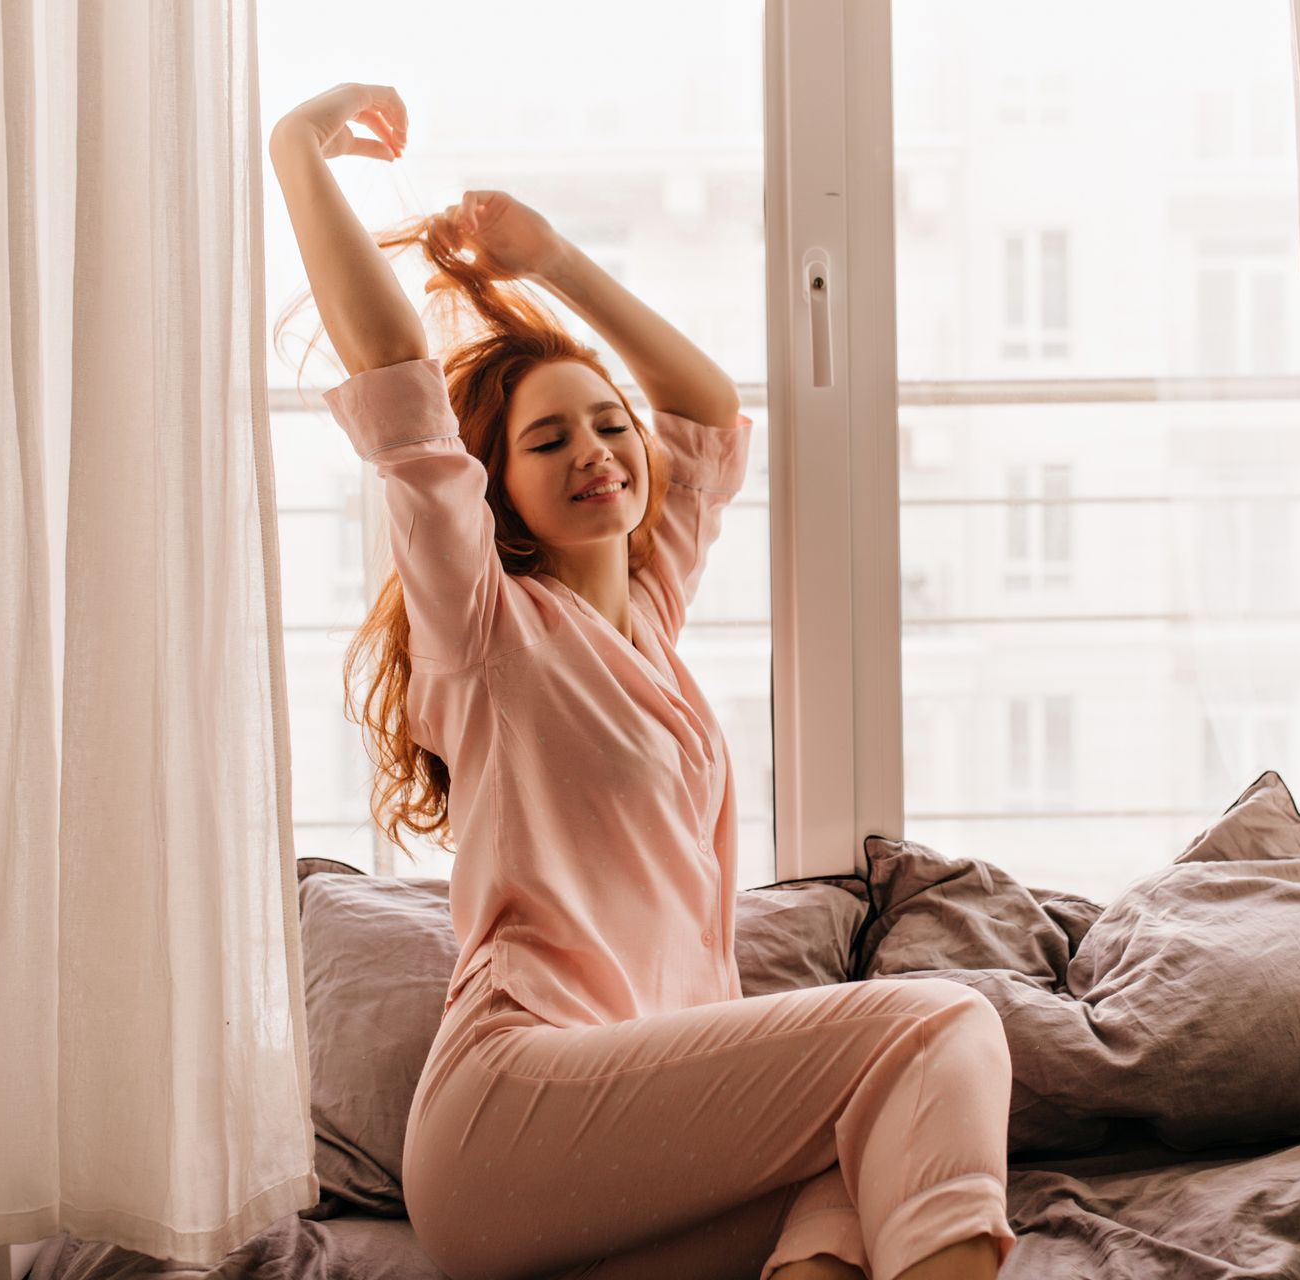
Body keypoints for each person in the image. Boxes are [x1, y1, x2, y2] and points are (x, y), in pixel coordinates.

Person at [269, 82, 1020, 1280]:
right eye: (548, 440)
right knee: (941, 1017)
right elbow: (400, 387)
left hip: (641, 1122)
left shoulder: (649, 622)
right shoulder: (486, 631)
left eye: (605, 424)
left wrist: (553, 260)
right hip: (512, 1115)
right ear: (496, 489)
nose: (596, 452)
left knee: (854, 1164)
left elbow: (706, 411)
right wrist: (296, 152)